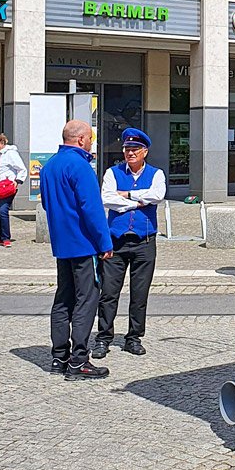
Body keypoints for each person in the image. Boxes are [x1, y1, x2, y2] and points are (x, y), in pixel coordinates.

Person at [39, 119, 113, 380]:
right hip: (83, 244)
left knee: (63, 299)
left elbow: (47, 205)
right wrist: (104, 242)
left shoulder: (49, 166)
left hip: (62, 244)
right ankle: (78, 361)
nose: (92, 143)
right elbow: (92, 209)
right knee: (86, 300)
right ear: (81, 139)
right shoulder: (81, 166)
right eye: (91, 139)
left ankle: (59, 357)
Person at [93, 128, 165, 358]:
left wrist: (126, 196)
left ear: (145, 151)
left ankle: (133, 337)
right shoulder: (112, 173)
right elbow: (107, 199)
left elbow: (157, 196)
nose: (129, 153)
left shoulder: (157, 174)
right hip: (116, 242)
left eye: (134, 149)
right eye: (126, 149)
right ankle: (103, 337)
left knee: (139, 293)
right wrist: (137, 202)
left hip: (144, 241)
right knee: (108, 293)